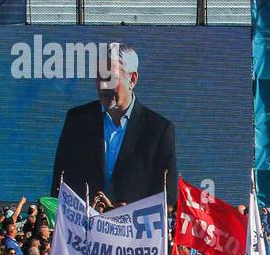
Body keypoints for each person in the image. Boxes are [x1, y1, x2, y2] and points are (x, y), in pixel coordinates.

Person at [51, 41, 178, 206]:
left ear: (132, 79)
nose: (103, 85)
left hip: (133, 229)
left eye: (110, 77)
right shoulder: (77, 121)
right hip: (84, 228)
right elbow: (59, 185)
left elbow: (168, 197)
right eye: (99, 76)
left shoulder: (158, 130)